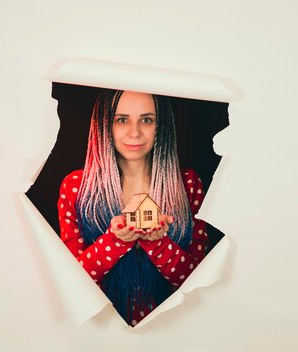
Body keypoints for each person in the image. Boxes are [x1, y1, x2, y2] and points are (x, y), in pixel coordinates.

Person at [57, 89, 208, 327]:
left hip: (173, 330)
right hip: (102, 333)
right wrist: (116, 240)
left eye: (146, 120)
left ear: (162, 126)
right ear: (105, 124)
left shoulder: (187, 185)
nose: (134, 132)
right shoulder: (77, 187)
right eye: (122, 119)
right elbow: (71, 281)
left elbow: (199, 283)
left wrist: (157, 243)